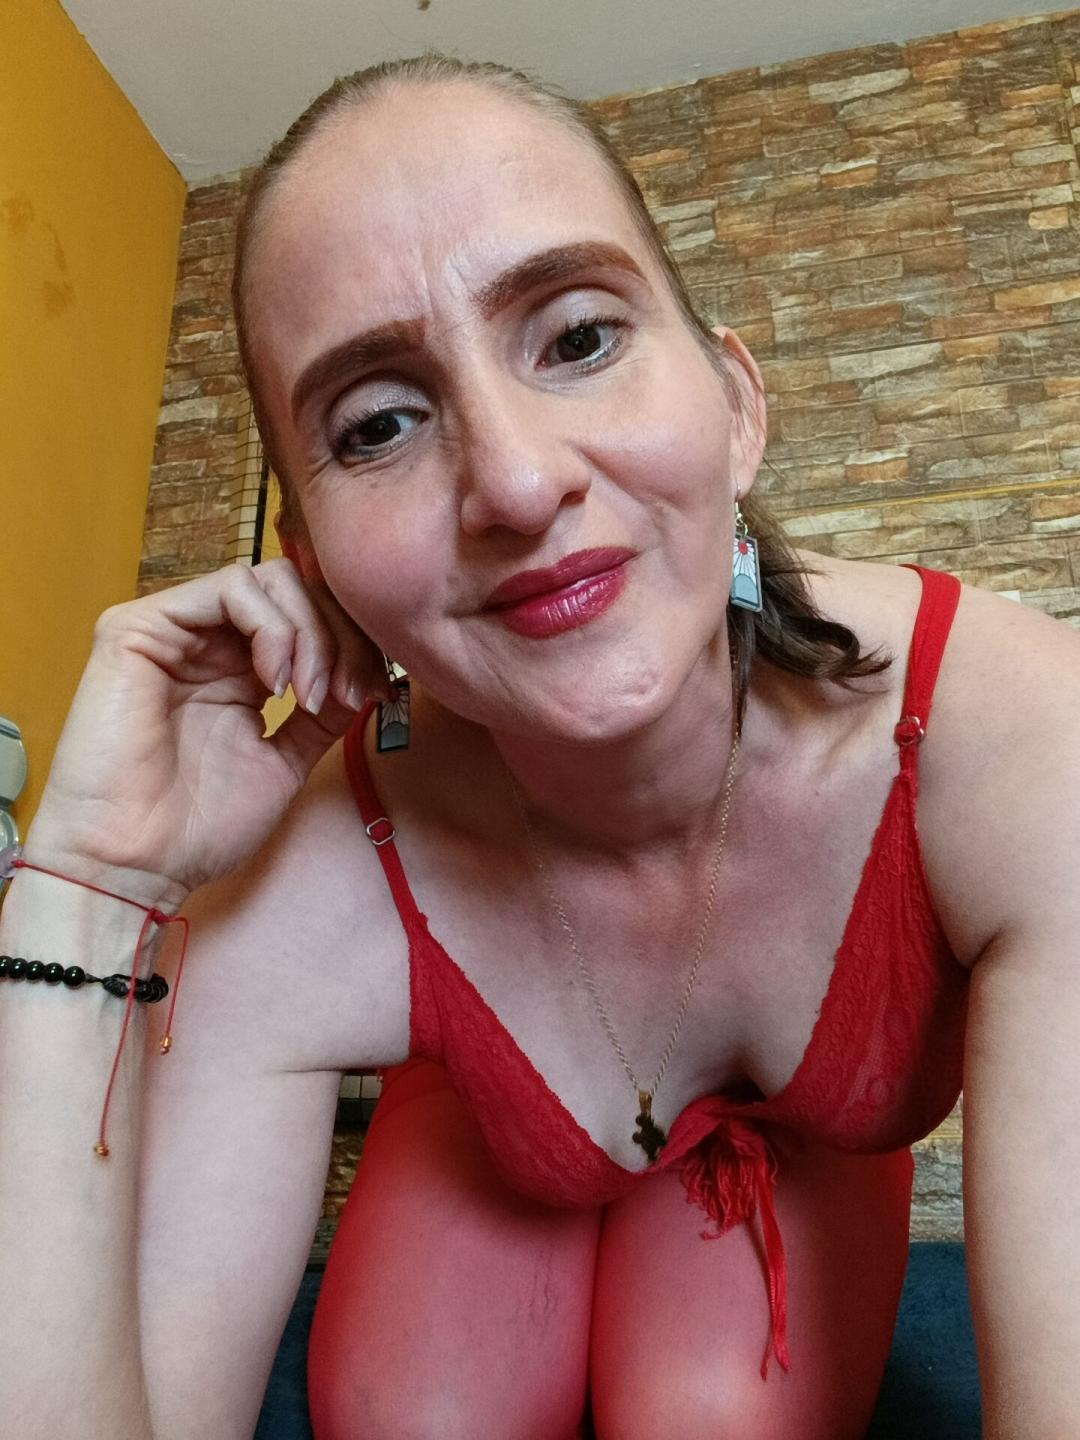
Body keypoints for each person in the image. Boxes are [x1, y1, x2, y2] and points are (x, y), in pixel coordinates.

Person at [2, 49, 1079, 1440]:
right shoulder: (306, 882)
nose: (515, 481)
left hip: (810, 1130)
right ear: (313, 564)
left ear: (735, 406)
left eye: (578, 340)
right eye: (380, 425)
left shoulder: (1019, 738)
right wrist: (87, 887)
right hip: (506, 1127)